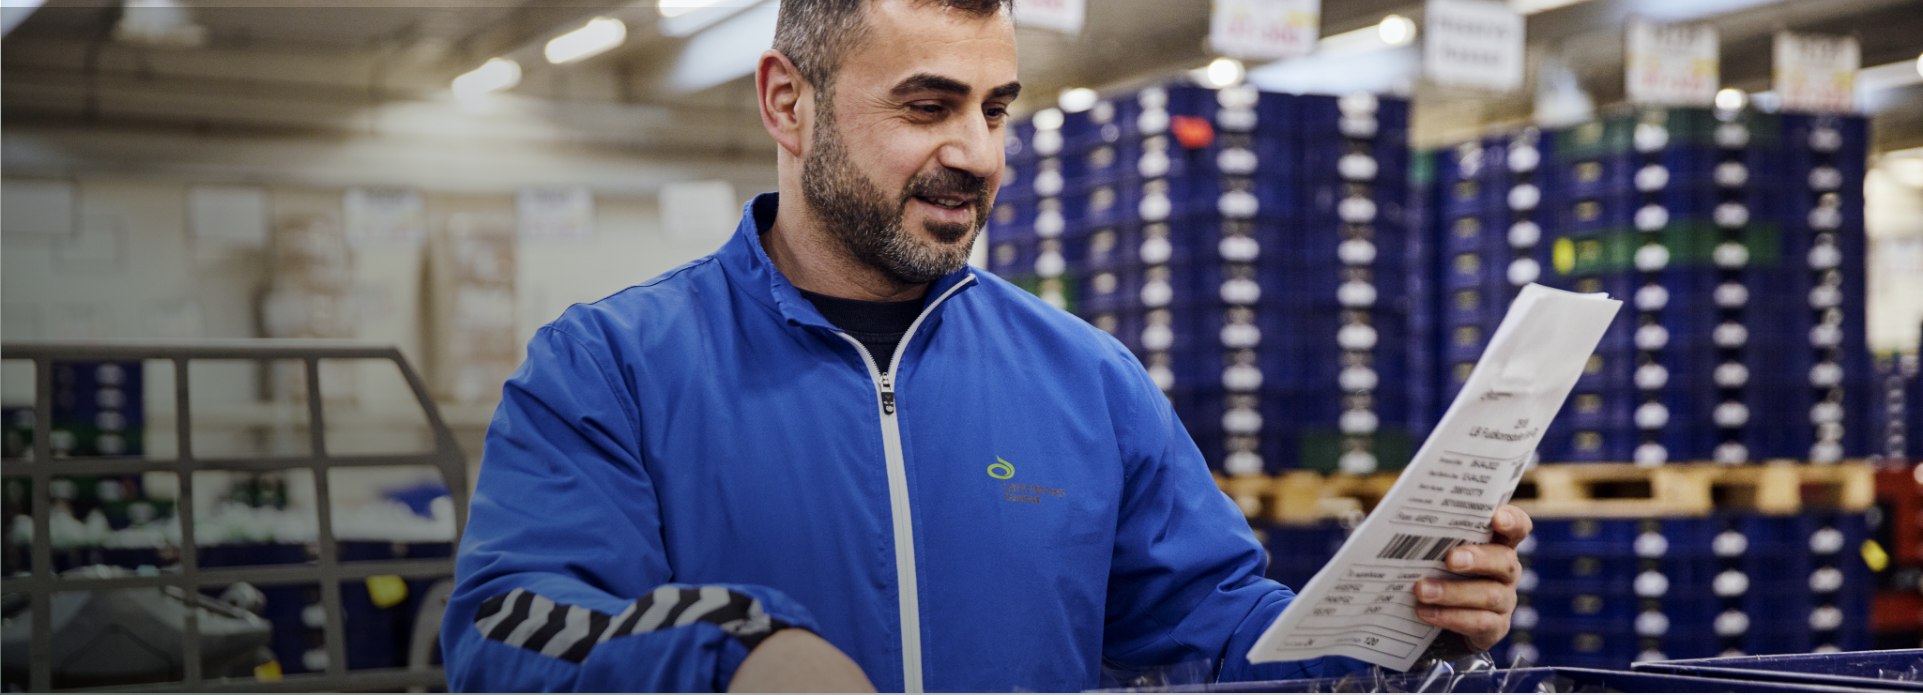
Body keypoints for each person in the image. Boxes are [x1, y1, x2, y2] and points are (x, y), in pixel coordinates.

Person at [441, 0, 1531, 691]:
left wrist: (1403, 618)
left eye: (997, 109)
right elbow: (512, 632)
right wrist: (736, 652)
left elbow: (1216, 628)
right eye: (927, 106)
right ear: (789, 102)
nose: (976, 153)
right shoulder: (612, 367)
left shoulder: (1084, 378)